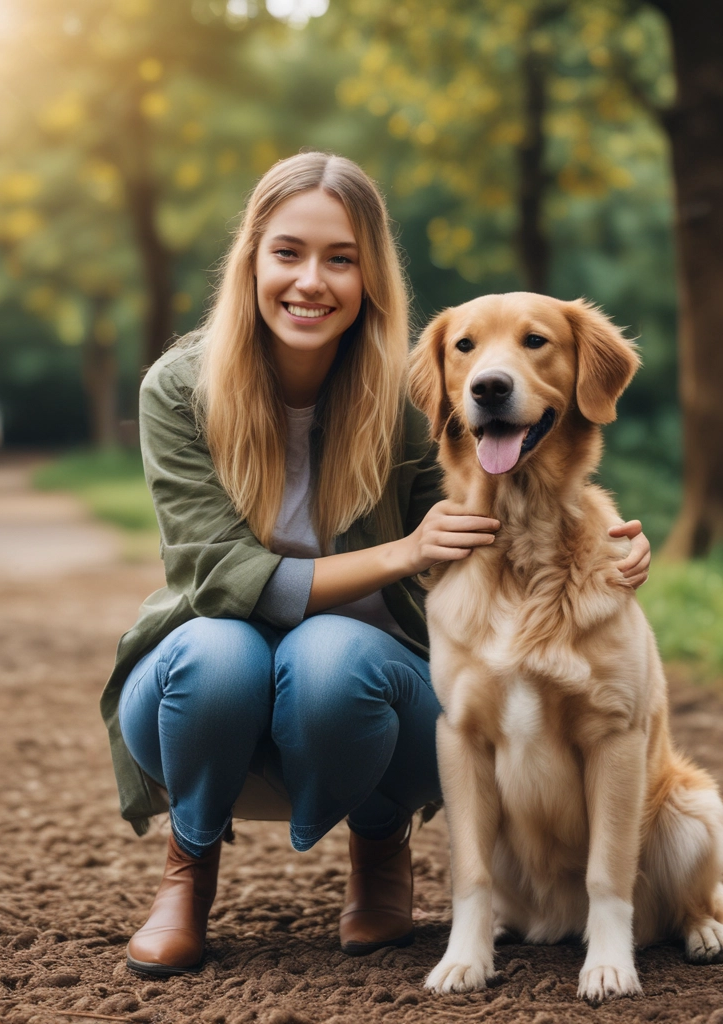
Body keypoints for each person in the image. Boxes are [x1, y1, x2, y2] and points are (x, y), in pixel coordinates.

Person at [99, 151, 652, 977]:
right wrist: (402, 551)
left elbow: (497, 500)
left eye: (341, 258)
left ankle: (379, 843)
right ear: (251, 256)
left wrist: (606, 538)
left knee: (334, 655)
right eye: (288, 252)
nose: (310, 281)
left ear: (370, 276)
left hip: (365, 700)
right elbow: (217, 578)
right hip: (209, 699)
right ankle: (188, 869)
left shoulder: (415, 392)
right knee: (221, 651)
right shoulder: (178, 387)